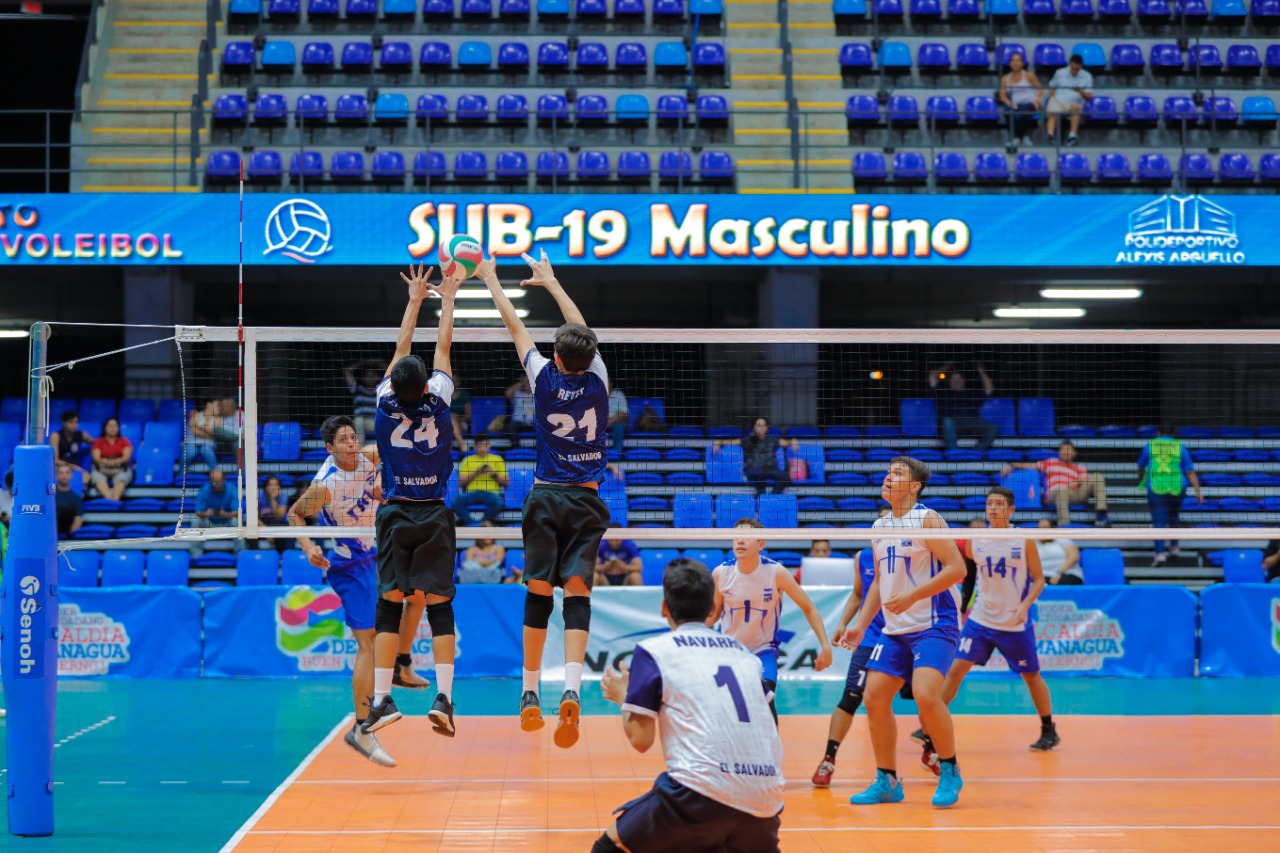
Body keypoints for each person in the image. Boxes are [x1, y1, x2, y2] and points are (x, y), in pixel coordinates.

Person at [483, 248, 611, 749]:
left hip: (545, 497)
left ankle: (529, 690)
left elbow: (514, 326)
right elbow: (582, 332)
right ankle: (573, 689)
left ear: (556, 358)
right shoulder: (599, 379)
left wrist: (491, 278)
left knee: (538, 591)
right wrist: (553, 282)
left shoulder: (541, 378)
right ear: (588, 358)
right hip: (586, 500)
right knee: (577, 592)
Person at [597, 558, 785, 853]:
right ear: (712, 610)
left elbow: (641, 740)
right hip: (767, 798)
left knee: (610, 847)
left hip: (701, 793)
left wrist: (624, 696)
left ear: (664, 608)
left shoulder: (654, 650)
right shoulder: (745, 656)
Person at [362, 263, 462, 741]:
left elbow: (401, 349)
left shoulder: (383, 403)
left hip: (396, 511)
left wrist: (414, 299)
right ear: (425, 387)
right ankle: (444, 698)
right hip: (434, 512)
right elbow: (442, 348)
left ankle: (383, 700)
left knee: (389, 604)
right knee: (439, 605)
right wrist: (449, 297)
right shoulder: (439, 402)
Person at [841, 456, 967, 809]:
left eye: (897, 473)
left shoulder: (927, 519)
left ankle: (950, 769)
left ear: (915, 486)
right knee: (874, 697)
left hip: (934, 622)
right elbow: (878, 583)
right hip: (896, 630)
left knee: (926, 694)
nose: (888, 477)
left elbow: (957, 568)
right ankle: (888, 781)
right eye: (888, 471)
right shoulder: (880, 526)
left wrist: (913, 595)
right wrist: (859, 625)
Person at [287, 415, 397, 767]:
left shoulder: (369, 456)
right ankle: (362, 728)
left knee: (400, 615)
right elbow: (294, 515)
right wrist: (309, 548)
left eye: (353, 437)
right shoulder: (325, 486)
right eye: (344, 440)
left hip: (376, 554)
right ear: (329, 448)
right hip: (350, 566)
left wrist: (382, 485)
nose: (351, 444)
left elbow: (394, 453)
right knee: (368, 643)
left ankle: (395, 676)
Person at [815, 504, 934, 788]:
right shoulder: (864, 557)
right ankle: (829, 759)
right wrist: (844, 622)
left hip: (907, 634)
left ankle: (931, 749)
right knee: (851, 697)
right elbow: (858, 594)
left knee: (925, 696)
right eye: (881, 524)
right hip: (872, 637)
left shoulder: (916, 552)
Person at [939, 487, 1059, 752]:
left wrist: (1025, 605)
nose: (993, 508)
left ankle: (1048, 729)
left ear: (1011, 509)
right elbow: (970, 577)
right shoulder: (975, 540)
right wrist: (963, 608)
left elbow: (1039, 579)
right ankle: (929, 726)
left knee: (1031, 676)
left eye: (999, 504)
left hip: (1013, 623)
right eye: (990, 503)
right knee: (956, 670)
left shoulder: (1023, 540)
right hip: (981, 619)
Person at [709, 518, 833, 723]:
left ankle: (771, 745)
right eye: (736, 537)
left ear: (761, 544)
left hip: (763, 650)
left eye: (746, 537)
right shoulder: (721, 573)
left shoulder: (776, 572)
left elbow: (808, 607)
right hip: (730, 650)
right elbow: (713, 615)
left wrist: (825, 646)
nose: (740, 541)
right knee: (728, 708)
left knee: (765, 698)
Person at [1004, 440, 1110, 527]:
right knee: (1061, 489)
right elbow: (1032, 465)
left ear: (1074, 453)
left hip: (1074, 493)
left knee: (1097, 477)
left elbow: (1085, 479)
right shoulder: (1051, 462)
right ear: (1059, 452)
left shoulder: (1079, 467)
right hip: (1054, 494)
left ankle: (1101, 514)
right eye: (1063, 449)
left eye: (1068, 449)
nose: (1065, 451)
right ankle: (1064, 524)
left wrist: (1076, 482)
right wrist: (1013, 465)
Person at [1138, 424, 1202, 565]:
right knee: (1174, 515)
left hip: (1156, 487)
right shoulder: (1180, 447)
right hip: (1177, 486)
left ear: (1158, 432)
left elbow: (1141, 465)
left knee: (1159, 520)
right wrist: (1198, 492)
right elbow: (1190, 471)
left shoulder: (1150, 445)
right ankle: (1174, 547)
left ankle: (1160, 554)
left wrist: (1141, 479)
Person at [713, 417, 798, 495]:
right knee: (760, 475)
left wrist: (793, 441)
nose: (762, 428)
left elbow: (787, 442)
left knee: (785, 477)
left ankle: (772, 496)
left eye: (764, 425)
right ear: (753, 427)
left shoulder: (773, 439)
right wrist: (719, 442)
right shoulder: (747, 440)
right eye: (759, 425)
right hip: (754, 469)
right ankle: (761, 496)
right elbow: (730, 442)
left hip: (771, 469)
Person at [928, 364, 997, 451]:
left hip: (970, 424)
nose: (957, 381)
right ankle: (954, 454)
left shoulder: (971, 394)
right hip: (951, 426)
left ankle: (976, 453)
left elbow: (989, 388)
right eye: (953, 378)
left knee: (993, 428)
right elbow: (932, 377)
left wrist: (981, 371)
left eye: (959, 378)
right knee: (947, 421)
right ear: (949, 381)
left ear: (964, 380)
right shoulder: (943, 393)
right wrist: (948, 365)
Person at [452, 433, 508, 525]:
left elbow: (506, 482)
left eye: (485, 445)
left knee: (499, 502)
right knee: (455, 502)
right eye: (480, 445)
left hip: (491, 493)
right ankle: (472, 524)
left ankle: (483, 523)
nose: (482, 448)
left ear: (489, 445)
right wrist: (476, 472)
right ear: (475, 446)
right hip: (472, 493)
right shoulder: (467, 460)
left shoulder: (498, 459)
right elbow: (460, 482)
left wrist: (493, 473)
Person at [1045, 53, 1094, 146]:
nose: (1074, 71)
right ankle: (1050, 135)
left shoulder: (1087, 76)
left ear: (1080, 66)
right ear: (1070, 64)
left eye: (1077, 69)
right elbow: (1051, 86)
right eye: (1073, 68)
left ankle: (1072, 137)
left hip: (1074, 103)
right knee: (1053, 108)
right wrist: (1052, 98)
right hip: (1059, 100)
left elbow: (1089, 96)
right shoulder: (1060, 73)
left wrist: (1080, 91)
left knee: (1076, 109)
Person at [999, 52, 1043, 147]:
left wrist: (1036, 100)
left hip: (1030, 103)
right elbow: (1002, 96)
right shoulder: (1005, 78)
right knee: (1008, 111)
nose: (1015, 63)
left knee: (1024, 110)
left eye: (1018, 60)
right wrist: (1010, 103)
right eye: (1013, 61)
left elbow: (1040, 89)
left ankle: (1018, 137)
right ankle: (1022, 137)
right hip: (1016, 104)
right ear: (1010, 63)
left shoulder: (1029, 75)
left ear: (1022, 63)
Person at [90, 417, 133, 502]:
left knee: (122, 478)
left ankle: (114, 501)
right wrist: (106, 462)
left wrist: (115, 461)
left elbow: (126, 457)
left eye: (115, 426)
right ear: (105, 428)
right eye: (110, 426)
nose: (113, 428)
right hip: (102, 468)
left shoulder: (124, 441)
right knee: (97, 477)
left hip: (120, 468)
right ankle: (110, 501)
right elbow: (96, 458)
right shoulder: (98, 441)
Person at [343, 359, 385, 442]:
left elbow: (392, 372)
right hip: (360, 423)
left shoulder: (381, 390)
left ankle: (385, 448)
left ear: (378, 377)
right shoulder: (357, 389)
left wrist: (376, 362)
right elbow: (347, 371)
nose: (370, 378)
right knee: (358, 420)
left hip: (377, 422)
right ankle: (359, 448)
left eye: (373, 376)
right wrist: (363, 363)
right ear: (363, 378)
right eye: (368, 376)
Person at [49, 410, 92, 485]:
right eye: (71, 422)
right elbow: (55, 460)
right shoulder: (56, 436)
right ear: (63, 423)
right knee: (63, 474)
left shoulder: (81, 435)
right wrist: (72, 466)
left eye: (76, 422)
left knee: (86, 476)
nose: (74, 425)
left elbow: (97, 442)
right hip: (59, 467)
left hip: (74, 468)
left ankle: (80, 491)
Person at [1036, 518, 1082, 584]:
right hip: (1043, 576)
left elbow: (1073, 557)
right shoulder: (1034, 543)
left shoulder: (1063, 540)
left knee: (1064, 582)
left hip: (1067, 574)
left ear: (1053, 529)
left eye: (1045, 528)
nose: (1042, 531)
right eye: (1039, 528)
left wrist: (1059, 573)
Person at [185, 399, 220, 471]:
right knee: (188, 453)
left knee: (206, 450)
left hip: (209, 444)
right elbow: (195, 432)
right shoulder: (197, 415)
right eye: (217, 406)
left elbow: (214, 432)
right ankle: (182, 475)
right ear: (209, 405)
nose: (219, 408)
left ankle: (216, 475)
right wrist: (208, 434)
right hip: (192, 443)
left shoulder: (218, 419)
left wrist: (199, 425)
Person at [54, 462, 83, 539]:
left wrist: (71, 534)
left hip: (66, 533)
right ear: (56, 476)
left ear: (71, 475)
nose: (64, 476)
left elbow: (78, 517)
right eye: (61, 473)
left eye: (67, 473)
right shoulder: (50, 496)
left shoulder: (76, 498)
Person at [449, 372, 472, 452]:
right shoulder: (443, 395)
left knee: (451, 417)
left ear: (459, 382)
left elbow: (468, 416)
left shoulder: (464, 395)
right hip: (445, 423)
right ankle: (462, 444)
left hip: (462, 424)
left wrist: (457, 420)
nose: (454, 383)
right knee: (450, 418)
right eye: (452, 380)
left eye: (456, 380)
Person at [607, 385, 629, 458]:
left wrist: (611, 420)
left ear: (611, 383)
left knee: (619, 426)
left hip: (616, 423)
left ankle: (616, 456)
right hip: (600, 423)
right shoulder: (595, 394)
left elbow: (624, 414)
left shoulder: (618, 394)